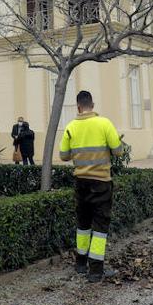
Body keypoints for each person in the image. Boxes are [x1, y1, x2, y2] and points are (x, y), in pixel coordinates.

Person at [58, 89, 123, 282]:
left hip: (81, 183)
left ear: (78, 107)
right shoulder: (104, 123)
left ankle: (80, 263)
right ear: (92, 106)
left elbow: (63, 156)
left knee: (83, 224)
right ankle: (95, 271)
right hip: (101, 182)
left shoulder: (70, 127)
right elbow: (118, 152)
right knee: (100, 226)